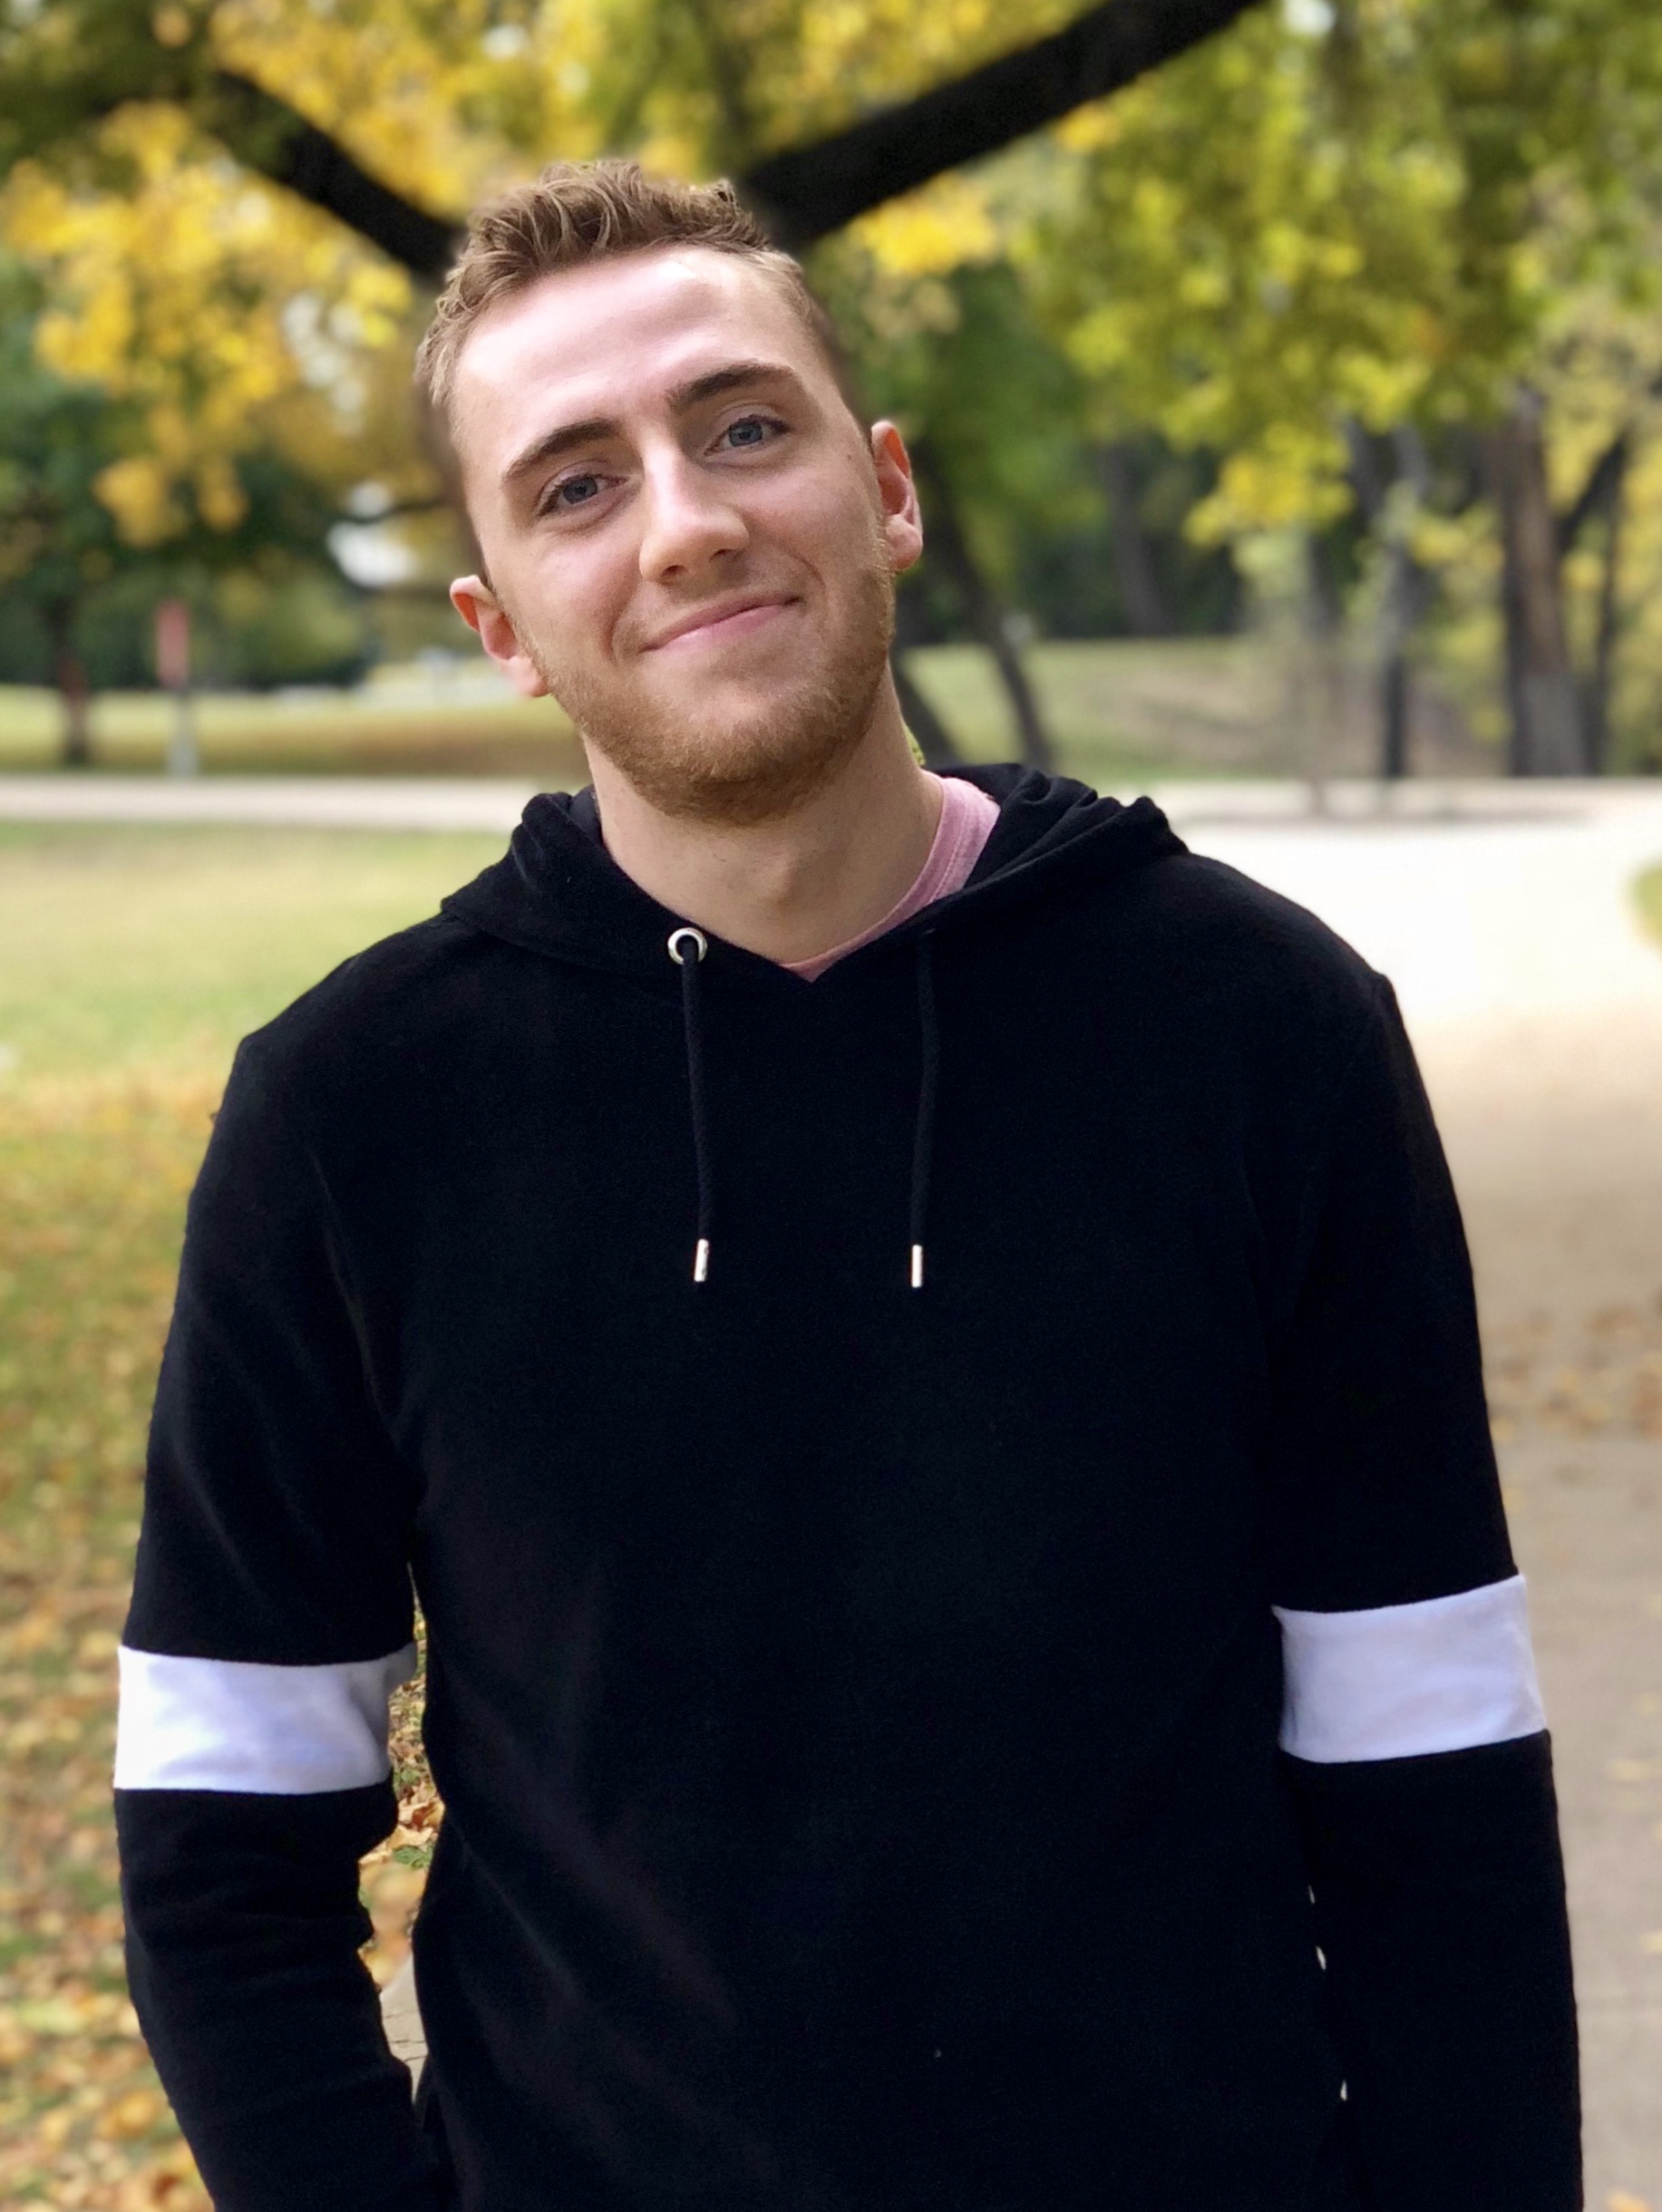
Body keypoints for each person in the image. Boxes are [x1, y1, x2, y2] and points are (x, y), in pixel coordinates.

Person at [114, 162, 1579, 2212]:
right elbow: (221, 1825)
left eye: (740, 426)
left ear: (881, 487)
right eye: (572, 485)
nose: (686, 518)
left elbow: (1428, 1773)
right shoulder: (348, 1114)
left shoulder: (1261, 1029)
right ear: (500, 625)